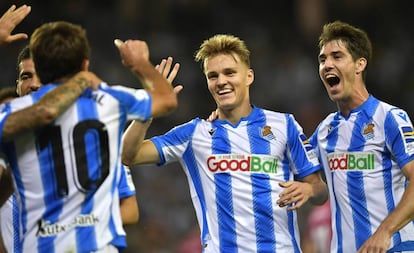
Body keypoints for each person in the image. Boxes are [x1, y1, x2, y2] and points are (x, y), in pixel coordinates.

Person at [121, 34, 328, 252]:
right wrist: (148, 107)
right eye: (213, 76)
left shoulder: (284, 125)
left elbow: (320, 190)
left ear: (249, 76)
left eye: (229, 72)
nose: (221, 82)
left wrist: (309, 190)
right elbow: (129, 155)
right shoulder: (194, 134)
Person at [0, 20, 177, 253]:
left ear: (40, 69)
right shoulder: (109, 101)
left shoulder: (9, 115)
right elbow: (167, 99)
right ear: (84, 65)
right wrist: (140, 63)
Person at [309, 20, 414, 253]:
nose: (327, 65)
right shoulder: (325, 130)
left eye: (337, 56)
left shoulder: (390, 118)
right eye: (323, 59)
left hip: (395, 248)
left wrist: (385, 231)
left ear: (359, 64)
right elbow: (295, 168)